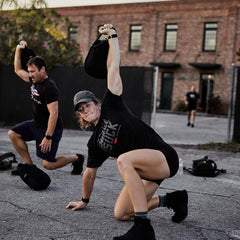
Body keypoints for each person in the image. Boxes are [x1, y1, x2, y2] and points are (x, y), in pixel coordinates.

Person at [66, 24, 188, 240]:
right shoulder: (95, 143)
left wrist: (112, 36)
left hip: (163, 158)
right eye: (81, 110)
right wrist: (84, 200)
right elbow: (90, 173)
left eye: (87, 105)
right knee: (121, 213)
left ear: (97, 103)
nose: (85, 110)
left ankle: (143, 228)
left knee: (123, 160)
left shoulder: (113, 104)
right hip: (144, 172)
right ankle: (173, 200)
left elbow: (113, 67)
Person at [8, 40, 84, 176]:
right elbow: (17, 70)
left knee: (48, 164)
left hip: (51, 129)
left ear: (42, 69)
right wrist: (18, 49)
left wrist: (48, 137)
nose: (30, 75)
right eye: (29, 72)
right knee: (13, 134)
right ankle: (29, 166)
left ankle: (77, 158)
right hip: (37, 124)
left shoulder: (49, 87)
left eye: (33, 72)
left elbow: (54, 113)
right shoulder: (34, 80)